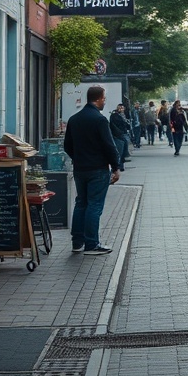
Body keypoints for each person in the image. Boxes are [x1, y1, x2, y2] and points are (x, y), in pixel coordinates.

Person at [63, 85, 120, 255]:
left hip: (80, 169)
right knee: (94, 205)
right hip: (98, 169)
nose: (105, 101)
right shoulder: (100, 120)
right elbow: (109, 145)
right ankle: (92, 243)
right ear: (98, 99)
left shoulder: (74, 119)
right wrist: (116, 167)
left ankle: (77, 241)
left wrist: (78, 158)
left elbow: (67, 146)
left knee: (81, 203)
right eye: (104, 98)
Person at [109, 102, 131, 172]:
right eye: (121, 108)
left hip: (121, 134)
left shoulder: (120, 115)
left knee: (121, 150)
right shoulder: (115, 116)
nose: (122, 110)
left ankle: (121, 165)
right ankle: (119, 166)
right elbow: (119, 124)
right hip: (118, 134)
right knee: (120, 151)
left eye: (123, 108)